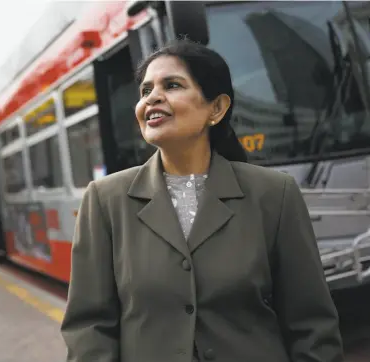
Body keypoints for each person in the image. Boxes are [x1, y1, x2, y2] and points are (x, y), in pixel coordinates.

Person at [60, 39, 343, 362]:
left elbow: (312, 323)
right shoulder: (104, 200)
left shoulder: (274, 194)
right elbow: (89, 328)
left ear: (217, 108)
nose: (152, 97)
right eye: (145, 90)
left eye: (172, 85)